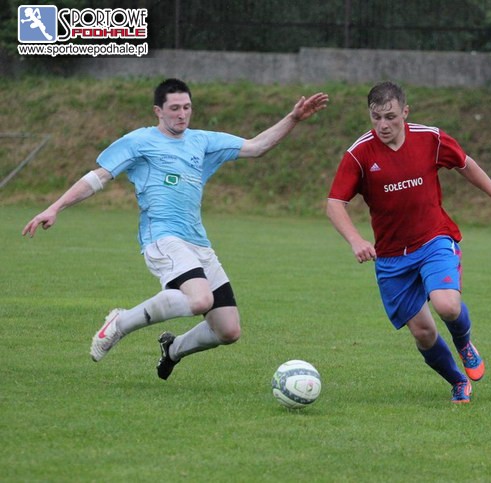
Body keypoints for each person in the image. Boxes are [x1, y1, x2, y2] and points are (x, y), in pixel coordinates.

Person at [23, 78, 328, 380]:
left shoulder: (202, 141)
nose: (182, 114)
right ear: (158, 111)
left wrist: (293, 118)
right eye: (174, 108)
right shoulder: (140, 141)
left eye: (187, 107)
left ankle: (173, 349)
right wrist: (55, 207)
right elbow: (98, 177)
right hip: (162, 237)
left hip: (198, 242)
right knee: (200, 300)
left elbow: (257, 146)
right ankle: (120, 323)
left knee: (228, 330)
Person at [326, 81, 491, 403]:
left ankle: (464, 343)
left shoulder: (430, 138)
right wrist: (355, 239)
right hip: (391, 256)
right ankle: (457, 381)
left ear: (405, 112)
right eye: (376, 117)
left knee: (447, 305)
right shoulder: (359, 153)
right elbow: (334, 203)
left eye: (390, 117)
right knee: (423, 332)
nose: (383, 125)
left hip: (433, 239)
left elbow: (465, 164)